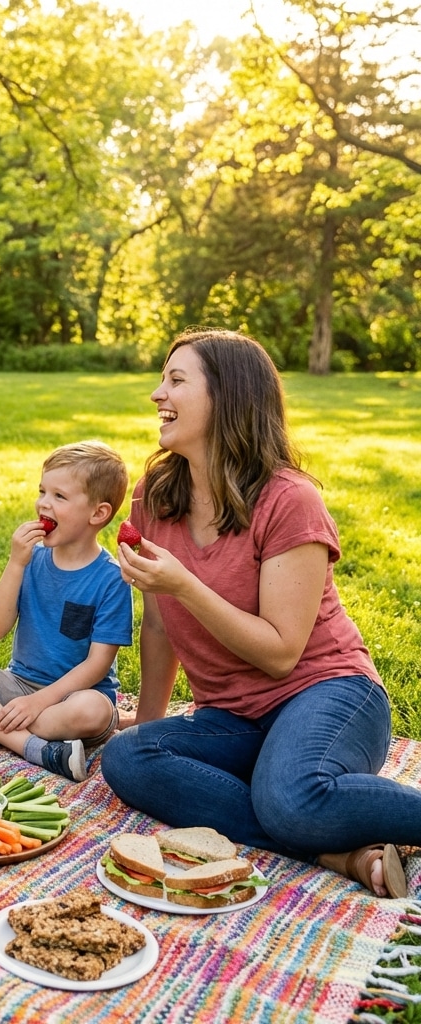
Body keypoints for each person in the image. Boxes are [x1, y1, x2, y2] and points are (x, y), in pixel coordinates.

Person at [101, 328, 420, 898]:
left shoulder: (289, 499)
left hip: (328, 693)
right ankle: (337, 848)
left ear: (227, 397)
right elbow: (158, 626)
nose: (157, 395)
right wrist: (150, 723)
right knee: (129, 756)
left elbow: (280, 653)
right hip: (232, 717)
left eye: (176, 381)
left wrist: (187, 584)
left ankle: (312, 813)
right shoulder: (155, 496)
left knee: (289, 799)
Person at [0, 441, 133, 782]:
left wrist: (41, 702)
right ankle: (36, 748)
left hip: (74, 697)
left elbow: (97, 665)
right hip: (19, 683)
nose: (43, 503)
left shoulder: (111, 579)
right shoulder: (32, 559)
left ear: (98, 513)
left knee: (94, 712)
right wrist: (15, 562)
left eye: (59, 497)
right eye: (42, 491)